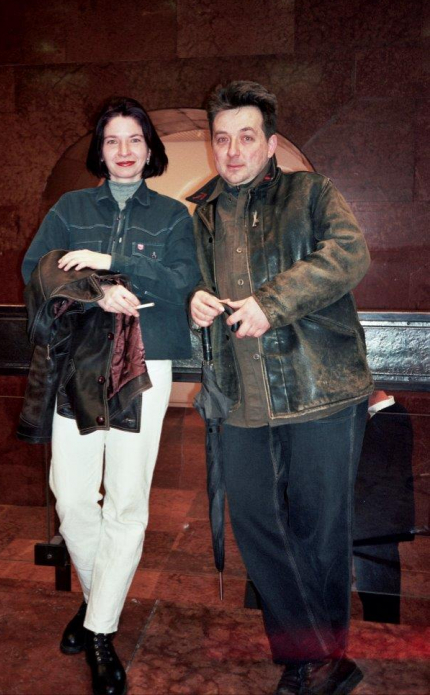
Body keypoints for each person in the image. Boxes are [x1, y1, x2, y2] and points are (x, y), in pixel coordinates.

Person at [189, 81, 373, 695]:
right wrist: (194, 302)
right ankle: (319, 656)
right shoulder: (204, 215)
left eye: (247, 137)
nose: (233, 151)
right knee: (257, 526)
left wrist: (272, 303)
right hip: (241, 399)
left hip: (321, 389)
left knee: (320, 530)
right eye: (222, 139)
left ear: (270, 145)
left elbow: (349, 254)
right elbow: (192, 287)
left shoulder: (311, 193)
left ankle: (312, 662)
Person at [21, 96, 200, 695]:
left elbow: (185, 283)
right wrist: (96, 288)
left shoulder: (174, 217)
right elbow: (36, 269)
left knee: (126, 501)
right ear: (100, 151)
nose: (124, 151)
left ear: (150, 150)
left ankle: (99, 629)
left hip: (145, 365)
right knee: (72, 497)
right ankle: (104, 599)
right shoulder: (71, 208)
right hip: (79, 363)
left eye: (134, 140)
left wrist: (115, 259)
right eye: (112, 140)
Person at [353, 390, 415, 624]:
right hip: (376, 526)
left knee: (378, 598)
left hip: (375, 528)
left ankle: (383, 639)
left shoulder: (390, 418)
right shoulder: (389, 418)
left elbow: (369, 473)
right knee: (376, 595)